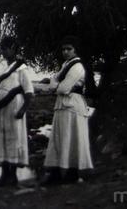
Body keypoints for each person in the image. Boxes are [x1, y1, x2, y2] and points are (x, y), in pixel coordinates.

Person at [43, 39, 93, 185]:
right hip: (63, 104)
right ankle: (58, 172)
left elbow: (63, 88)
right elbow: (54, 79)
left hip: (72, 104)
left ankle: (72, 172)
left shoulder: (77, 67)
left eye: (69, 49)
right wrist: (56, 85)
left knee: (71, 138)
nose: (65, 52)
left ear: (75, 50)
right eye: (63, 49)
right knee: (60, 138)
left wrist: (55, 87)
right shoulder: (66, 65)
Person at [0, 44, 34, 187]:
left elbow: (29, 92)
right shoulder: (5, 69)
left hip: (14, 107)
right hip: (1, 108)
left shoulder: (22, 69)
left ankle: (13, 176)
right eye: (2, 49)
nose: (3, 51)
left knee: (13, 139)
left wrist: (23, 110)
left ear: (14, 50)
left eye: (6, 48)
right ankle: (4, 175)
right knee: (1, 137)